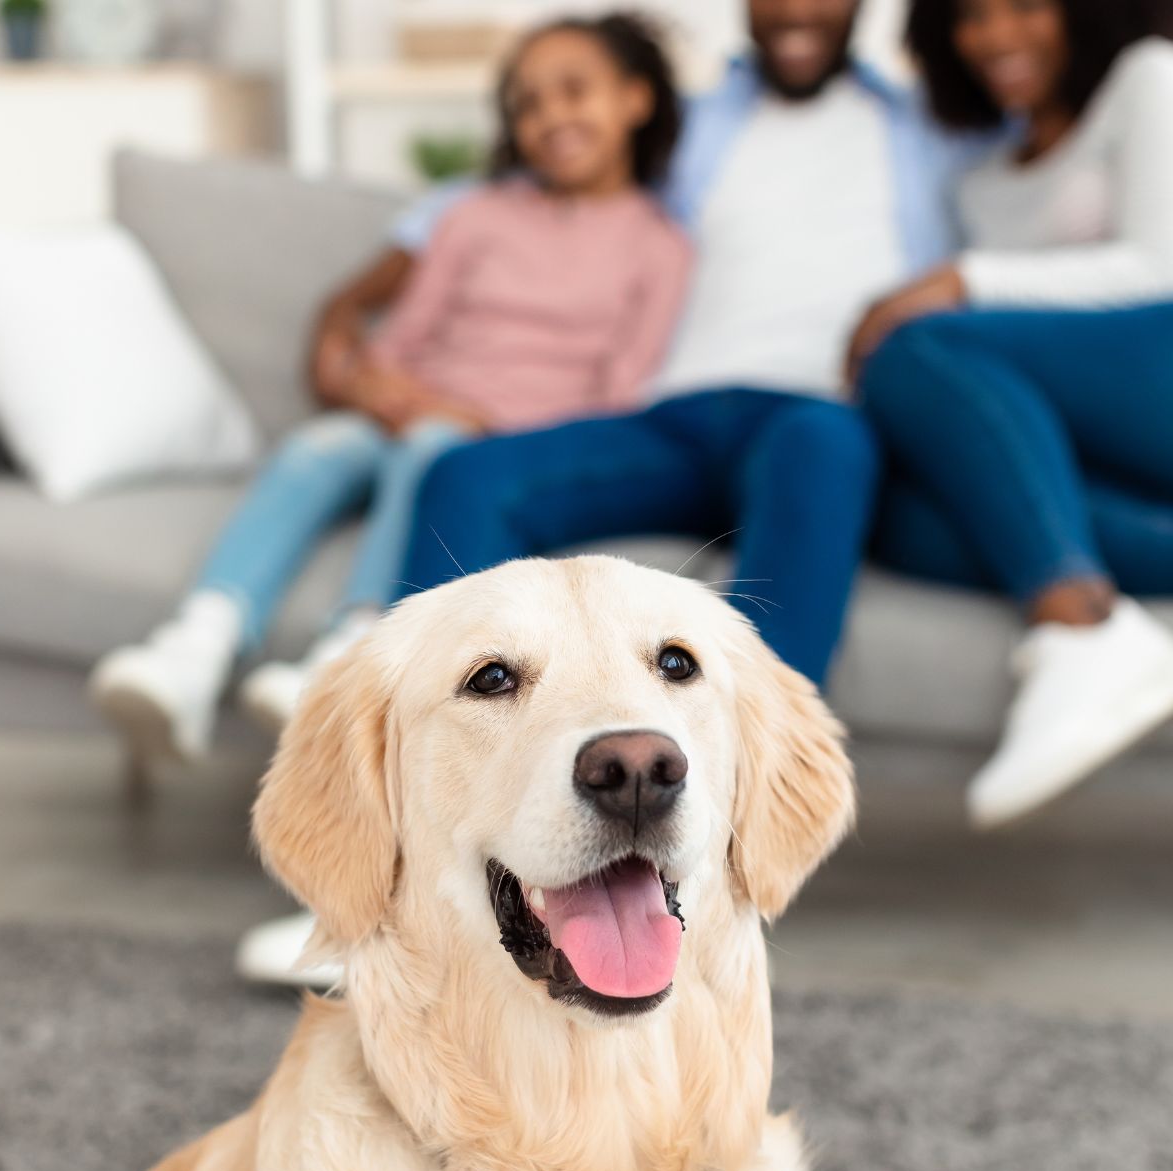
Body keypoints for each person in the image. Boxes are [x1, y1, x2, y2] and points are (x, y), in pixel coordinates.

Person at [90, 12, 691, 763]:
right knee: (315, 449)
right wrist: (378, 385)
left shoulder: (661, 247)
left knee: (432, 453)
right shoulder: (475, 216)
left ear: (636, 100)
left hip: (496, 438)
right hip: (409, 408)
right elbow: (403, 335)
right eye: (528, 104)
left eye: (574, 91)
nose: (550, 117)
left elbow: (617, 401)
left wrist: (471, 418)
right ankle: (194, 648)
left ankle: (345, 656)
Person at [390, 0, 975, 692]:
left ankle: (755, 784)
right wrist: (351, 310)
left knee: (821, 445)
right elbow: (501, 193)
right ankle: (409, 768)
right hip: (671, 419)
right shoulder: (696, 121)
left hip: (816, 415)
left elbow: (1047, 161)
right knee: (466, 476)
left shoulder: (933, 128)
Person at [847, 0, 1173, 829]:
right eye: (970, 17)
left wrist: (958, 282)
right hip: (1110, 448)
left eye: (1023, 6)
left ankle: (1078, 622)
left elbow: (1157, 265)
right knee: (899, 505)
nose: (996, 37)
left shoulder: (1147, 80)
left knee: (918, 351)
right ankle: (1101, 605)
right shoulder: (978, 183)